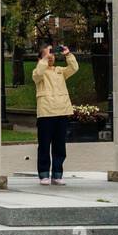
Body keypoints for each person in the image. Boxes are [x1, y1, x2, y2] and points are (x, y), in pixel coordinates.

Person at [32, 43, 78, 185]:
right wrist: (44, 59)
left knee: (59, 146)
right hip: (46, 113)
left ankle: (57, 174)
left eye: (52, 53)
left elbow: (74, 68)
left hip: (61, 112)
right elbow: (39, 73)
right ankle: (44, 174)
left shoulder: (60, 71)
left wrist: (68, 55)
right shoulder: (38, 72)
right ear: (41, 57)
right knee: (44, 145)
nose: (51, 56)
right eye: (47, 53)